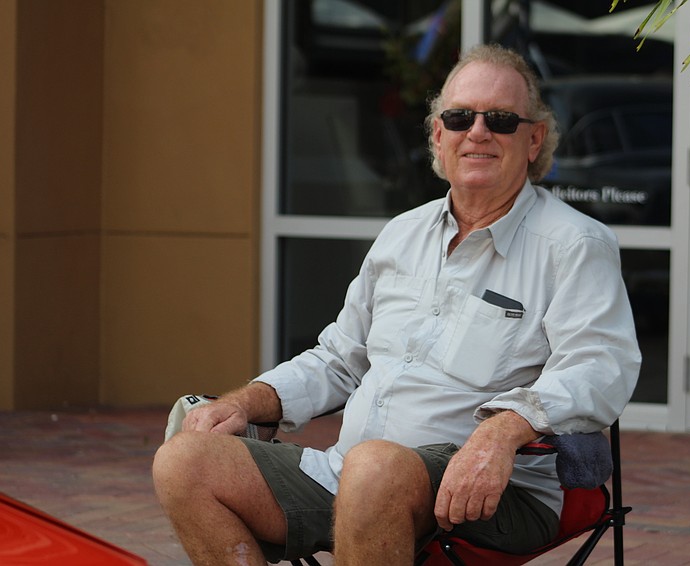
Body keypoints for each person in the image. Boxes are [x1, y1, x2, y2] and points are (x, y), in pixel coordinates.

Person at [152, 43, 641, 566]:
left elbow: (599, 366)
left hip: (493, 492)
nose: (477, 131)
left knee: (376, 469)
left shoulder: (573, 245)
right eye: (459, 117)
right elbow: (341, 358)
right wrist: (243, 403)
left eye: (499, 119)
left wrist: (504, 429)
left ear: (534, 139)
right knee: (183, 461)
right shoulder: (401, 235)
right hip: (349, 475)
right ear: (438, 135)